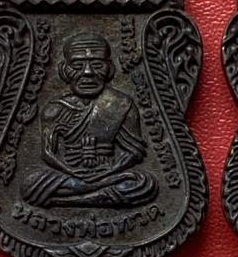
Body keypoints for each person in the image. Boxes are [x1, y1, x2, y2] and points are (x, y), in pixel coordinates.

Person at [21, 32, 157, 208]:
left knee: (144, 182)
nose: (87, 72)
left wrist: (105, 174)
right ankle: (97, 195)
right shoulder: (54, 109)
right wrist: (72, 172)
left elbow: (134, 153)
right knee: (29, 184)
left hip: (108, 173)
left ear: (109, 68)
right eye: (77, 65)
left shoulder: (121, 104)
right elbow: (47, 153)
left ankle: (65, 201)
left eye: (97, 64)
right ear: (64, 70)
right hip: (70, 174)